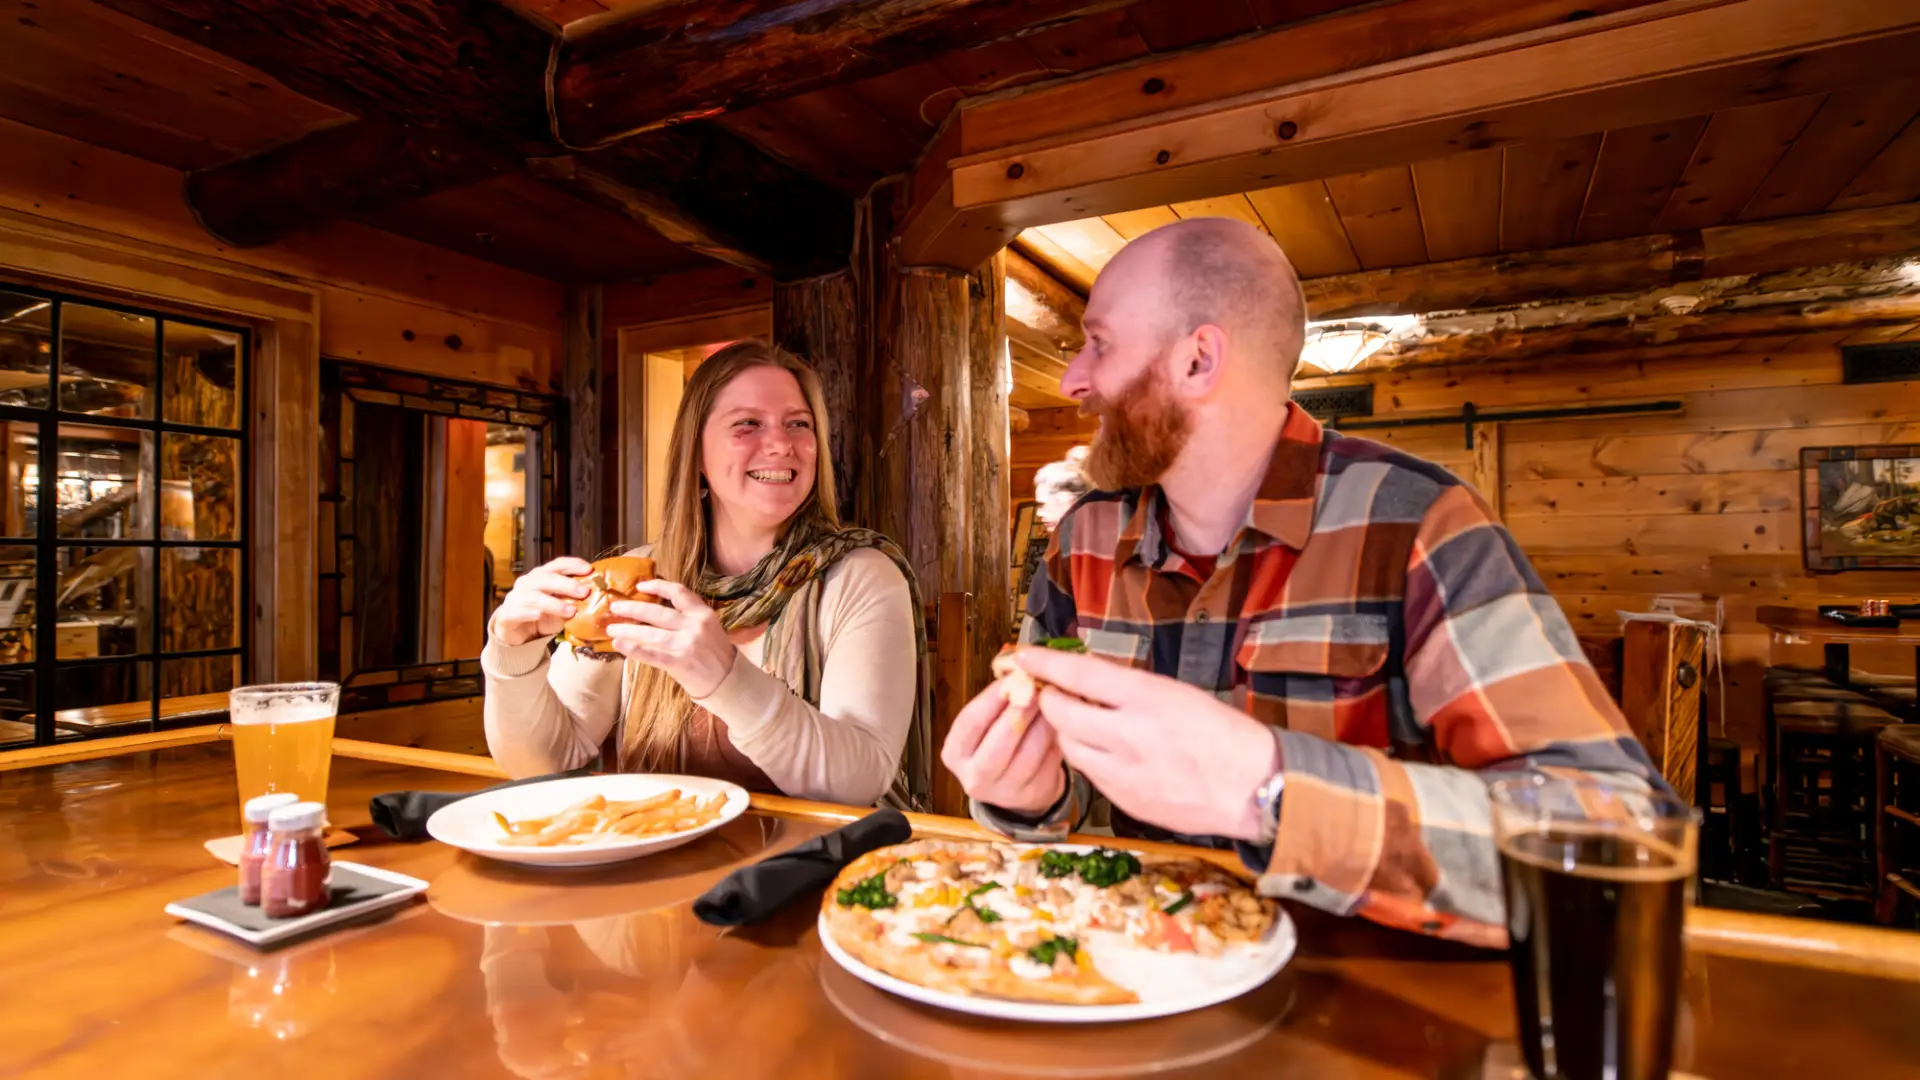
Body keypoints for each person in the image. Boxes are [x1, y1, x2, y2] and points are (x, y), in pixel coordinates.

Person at [942, 218, 1660, 946]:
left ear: (1198, 361)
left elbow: (1616, 843)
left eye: (1099, 343)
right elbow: (1062, 805)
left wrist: (1273, 790)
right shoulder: (1082, 543)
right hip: (1128, 982)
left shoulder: (1419, 525)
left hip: (1370, 1012)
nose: (1073, 380)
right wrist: (1030, 798)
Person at [484, 340, 930, 810]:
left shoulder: (860, 577)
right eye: (748, 424)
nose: (781, 443)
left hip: (808, 868)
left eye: (799, 424)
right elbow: (545, 763)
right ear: (695, 453)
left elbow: (861, 779)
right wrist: (513, 653)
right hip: (653, 858)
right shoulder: (635, 580)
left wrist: (725, 679)